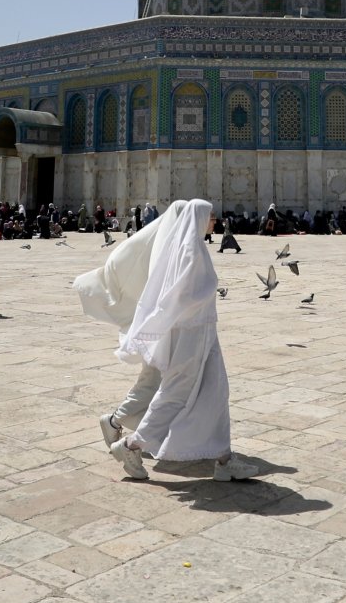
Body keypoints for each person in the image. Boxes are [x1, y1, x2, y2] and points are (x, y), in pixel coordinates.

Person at [106, 200, 258, 482]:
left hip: (204, 332)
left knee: (216, 392)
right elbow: (178, 296)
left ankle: (224, 460)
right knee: (175, 395)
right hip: (190, 335)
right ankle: (130, 446)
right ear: (199, 218)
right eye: (211, 216)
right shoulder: (188, 250)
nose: (215, 220)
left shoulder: (194, 247)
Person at [76, 201, 185, 466]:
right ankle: (116, 424)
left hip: (169, 328)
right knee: (154, 381)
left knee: (158, 382)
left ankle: (141, 432)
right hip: (161, 329)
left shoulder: (170, 246)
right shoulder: (165, 251)